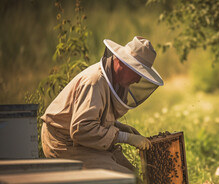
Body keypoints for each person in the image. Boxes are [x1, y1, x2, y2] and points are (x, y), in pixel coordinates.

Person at [41, 36, 164, 174]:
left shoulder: (114, 80)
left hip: (83, 141)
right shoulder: (95, 82)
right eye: (137, 72)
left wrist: (120, 127)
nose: (138, 80)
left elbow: (95, 117)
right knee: (125, 180)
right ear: (122, 63)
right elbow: (81, 129)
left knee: (133, 176)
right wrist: (125, 137)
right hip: (63, 143)